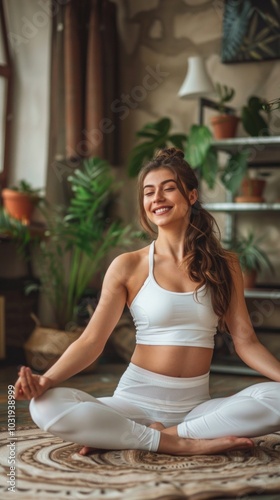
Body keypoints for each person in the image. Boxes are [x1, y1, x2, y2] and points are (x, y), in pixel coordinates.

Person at [15, 148, 280, 456]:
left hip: (197, 411)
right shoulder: (129, 265)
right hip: (133, 404)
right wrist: (46, 380)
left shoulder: (225, 264)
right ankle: (177, 443)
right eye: (148, 192)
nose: (157, 198)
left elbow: (246, 342)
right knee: (45, 406)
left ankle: (158, 436)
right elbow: (90, 341)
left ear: (192, 195)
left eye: (169, 188)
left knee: (275, 397)